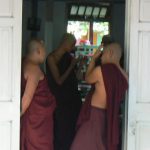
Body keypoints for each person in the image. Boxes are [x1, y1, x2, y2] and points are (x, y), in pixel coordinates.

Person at [70, 43, 128, 150]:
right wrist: (117, 63)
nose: (101, 57)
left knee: (79, 146)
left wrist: (92, 59)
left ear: (110, 53)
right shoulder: (122, 75)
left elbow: (87, 78)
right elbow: (126, 78)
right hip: (108, 117)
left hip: (94, 116)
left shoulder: (100, 71)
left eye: (103, 53)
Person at [46, 33, 82, 150]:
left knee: (72, 128)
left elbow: (77, 77)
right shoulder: (51, 58)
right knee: (61, 129)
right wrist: (71, 66)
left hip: (73, 98)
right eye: (72, 44)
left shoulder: (69, 57)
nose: (73, 47)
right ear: (65, 43)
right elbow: (59, 81)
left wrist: (80, 65)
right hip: (60, 100)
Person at [21, 38, 56, 150]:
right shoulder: (33, 69)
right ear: (38, 51)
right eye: (44, 50)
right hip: (36, 122)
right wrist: (14, 117)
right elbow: (27, 97)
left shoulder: (23, 62)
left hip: (37, 118)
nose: (45, 54)